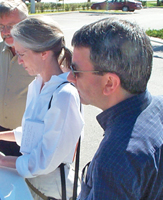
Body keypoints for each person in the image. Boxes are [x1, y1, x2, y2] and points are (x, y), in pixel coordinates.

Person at [0, 16, 84, 199]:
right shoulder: (36, 85)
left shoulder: (64, 96)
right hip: (32, 184)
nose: (19, 61)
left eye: (22, 54)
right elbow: (34, 132)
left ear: (44, 52)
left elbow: (44, 161)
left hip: (50, 191)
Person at [67, 17, 163, 199]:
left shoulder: (115, 157)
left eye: (76, 71)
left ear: (109, 83)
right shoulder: (159, 106)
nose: (70, 78)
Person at [0, 0, 35, 156]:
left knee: (25, 179)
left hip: (26, 135)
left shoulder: (37, 53)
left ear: (25, 24)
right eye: (1, 26)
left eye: (11, 26)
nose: (5, 31)